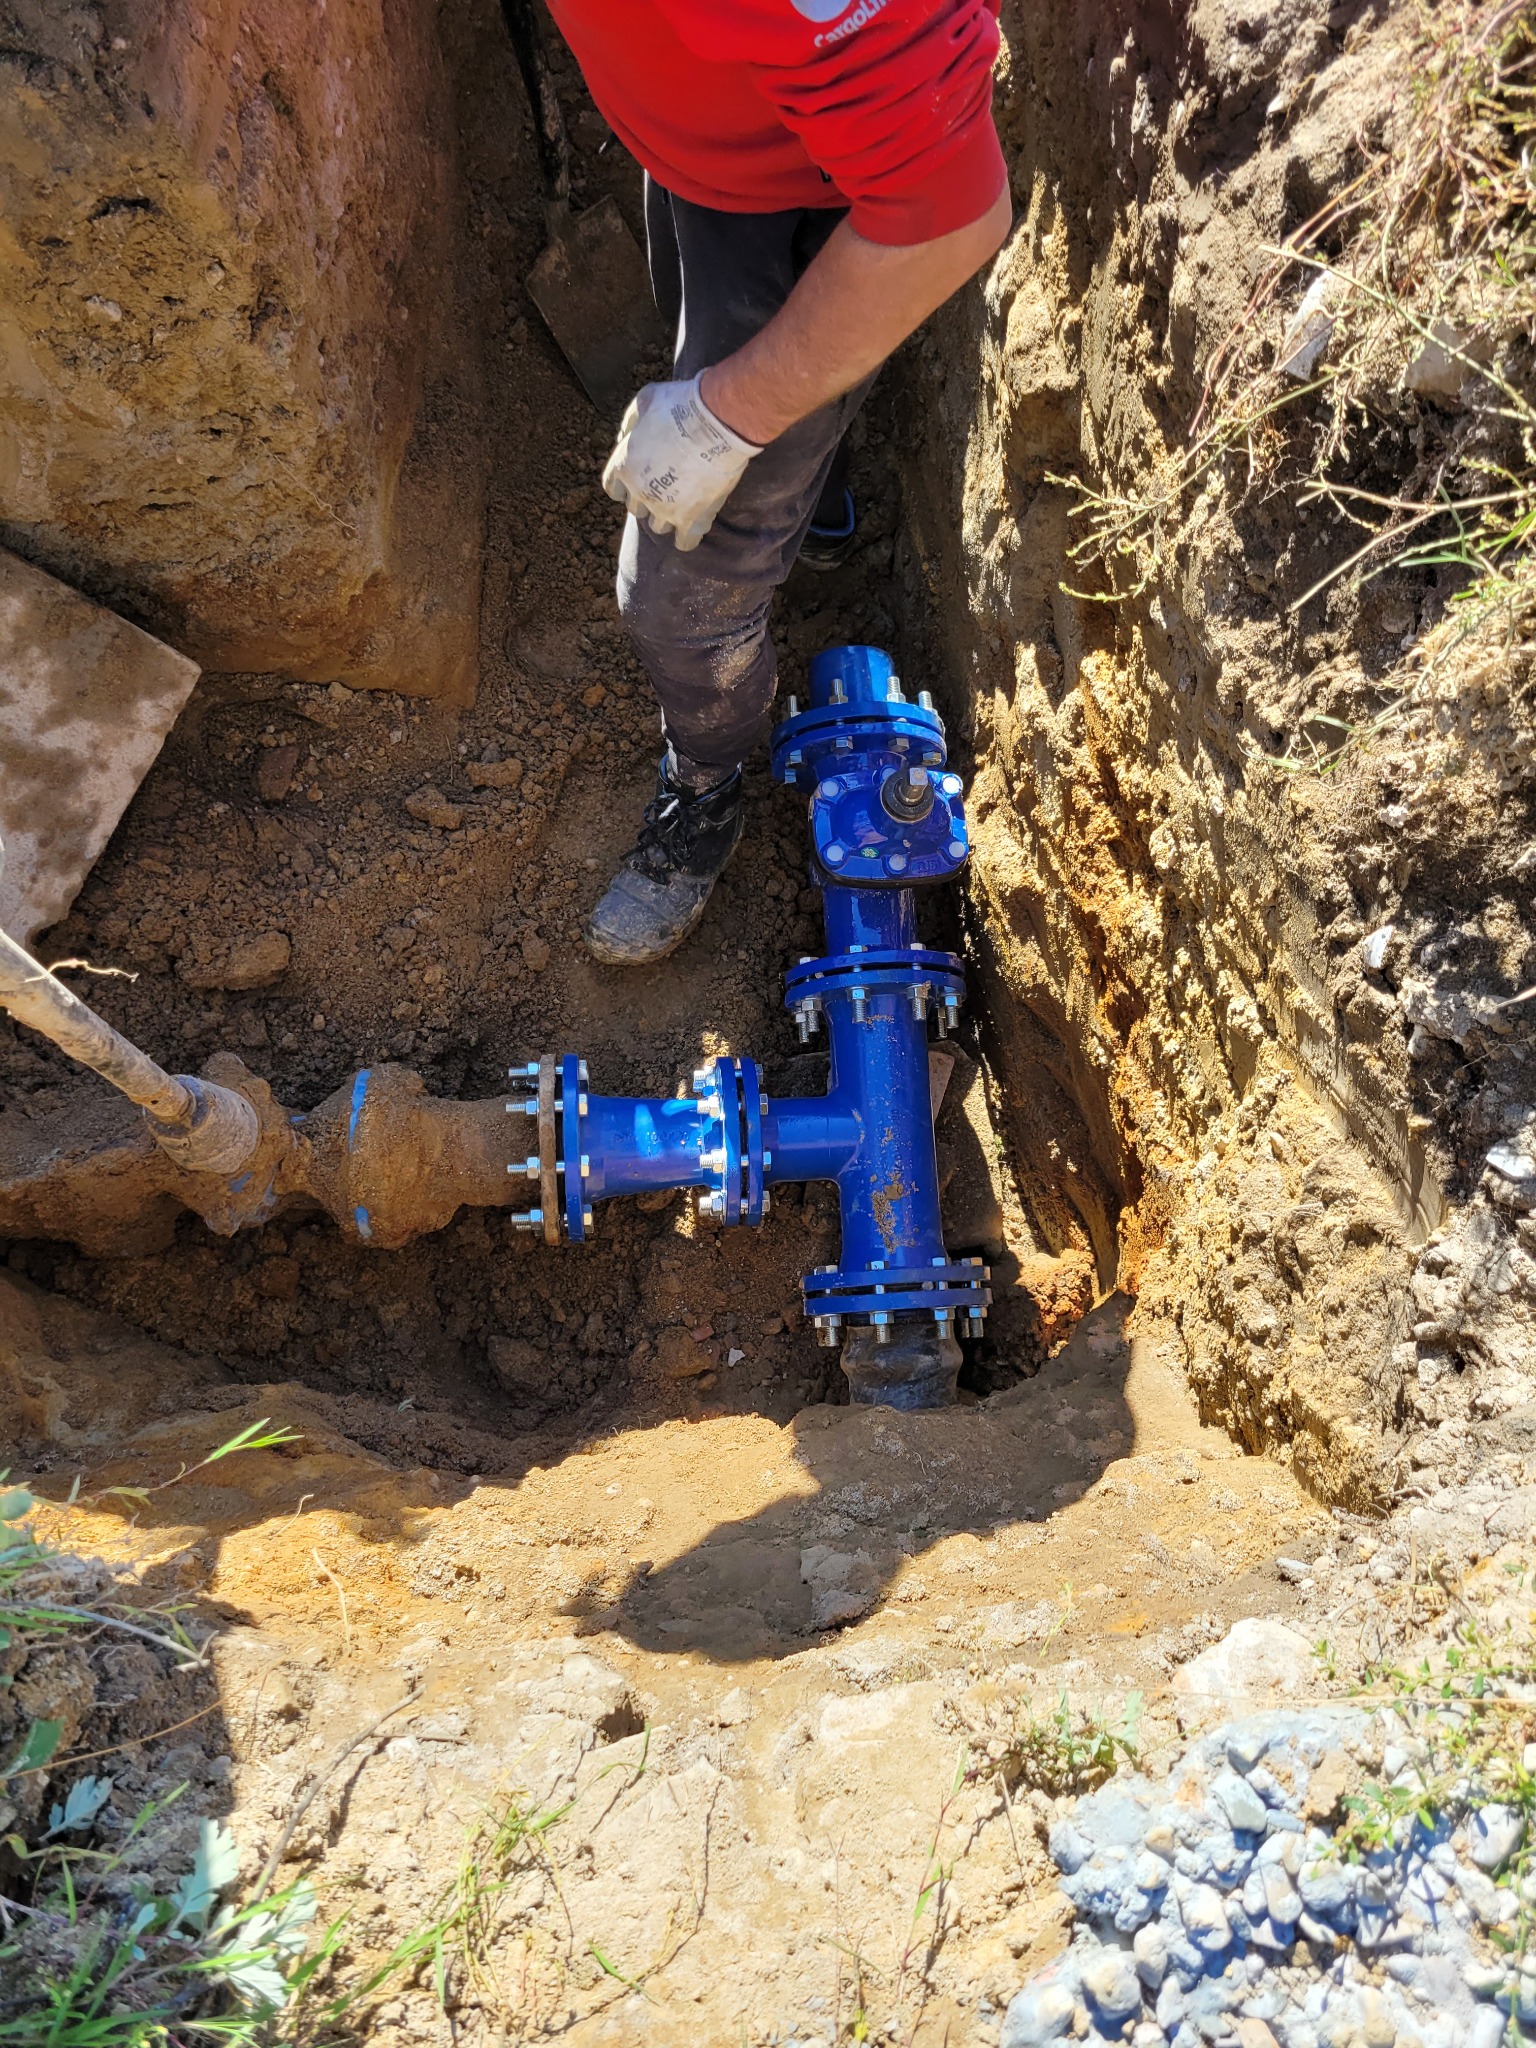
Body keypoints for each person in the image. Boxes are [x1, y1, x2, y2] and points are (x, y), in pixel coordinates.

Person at [542, 0, 1012, 965]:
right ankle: (812, 512)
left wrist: (725, 418)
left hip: (814, 199)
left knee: (673, 603)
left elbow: (946, 216)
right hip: (714, 149)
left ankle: (706, 785)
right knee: (729, 350)